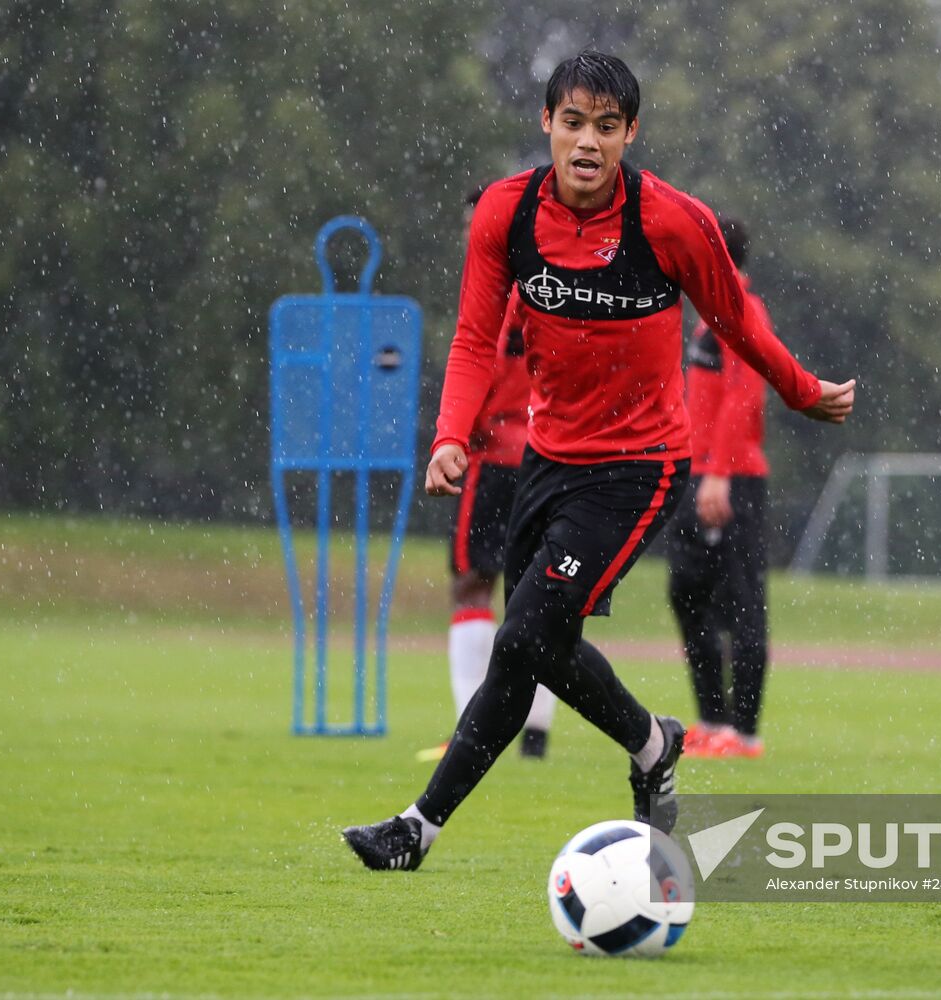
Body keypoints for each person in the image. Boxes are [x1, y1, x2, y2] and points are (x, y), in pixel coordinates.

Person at [343, 50, 854, 872]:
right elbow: (476, 336)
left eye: (606, 127)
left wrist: (801, 392)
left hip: (640, 466)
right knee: (531, 645)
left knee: (525, 637)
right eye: (573, 122)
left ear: (630, 134)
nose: (588, 142)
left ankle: (420, 826)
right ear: (547, 124)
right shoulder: (504, 215)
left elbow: (735, 322)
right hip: (546, 460)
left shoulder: (672, 222)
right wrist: (449, 434)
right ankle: (650, 745)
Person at [431, 189, 556, 762]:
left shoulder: (493, 292)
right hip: (549, 455)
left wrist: (458, 433)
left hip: (495, 457)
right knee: (539, 594)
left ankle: (468, 730)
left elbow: (478, 366)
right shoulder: (550, 286)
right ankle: (535, 735)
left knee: (473, 583)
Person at [666, 216, 772, 759]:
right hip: (695, 472)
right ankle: (711, 719)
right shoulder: (707, 320)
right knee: (688, 594)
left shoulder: (745, 313)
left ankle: (744, 733)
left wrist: (720, 473)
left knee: (743, 600)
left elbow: (745, 397)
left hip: (732, 477)